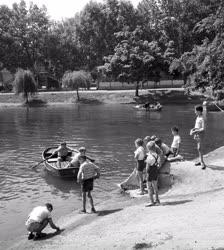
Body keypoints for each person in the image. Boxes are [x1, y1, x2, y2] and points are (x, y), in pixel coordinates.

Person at [190, 105, 206, 170]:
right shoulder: (197, 117)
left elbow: (203, 128)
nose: (195, 112)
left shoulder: (202, 118)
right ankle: (200, 161)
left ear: (199, 111)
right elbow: (196, 126)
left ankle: (202, 162)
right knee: (198, 148)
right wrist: (192, 129)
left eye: (195, 111)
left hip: (201, 134)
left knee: (200, 148)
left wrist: (195, 131)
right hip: (197, 134)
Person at [145, 141, 160, 206]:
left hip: (150, 173)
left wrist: (146, 174)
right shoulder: (157, 155)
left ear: (148, 149)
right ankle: (157, 200)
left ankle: (151, 201)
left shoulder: (149, 157)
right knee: (155, 186)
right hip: (155, 171)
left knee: (149, 187)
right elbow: (158, 164)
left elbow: (147, 168)